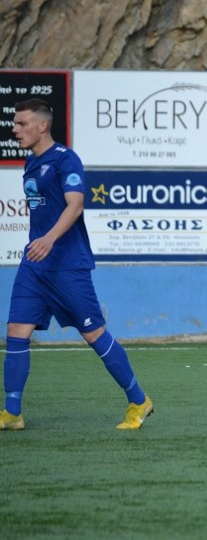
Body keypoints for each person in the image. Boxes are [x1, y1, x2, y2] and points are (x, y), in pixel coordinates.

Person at [1, 99, 152, 431]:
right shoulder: (31, 162)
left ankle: (139, 400)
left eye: (22, 123)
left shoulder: (65, 159)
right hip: (34, 266)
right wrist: (40, 243)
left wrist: (49, 239)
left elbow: (76, 205)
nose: (15, 129)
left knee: (93, 334)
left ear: (42, 125)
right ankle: (12, 413)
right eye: (15, 123)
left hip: (67, 265)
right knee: (16, 331)